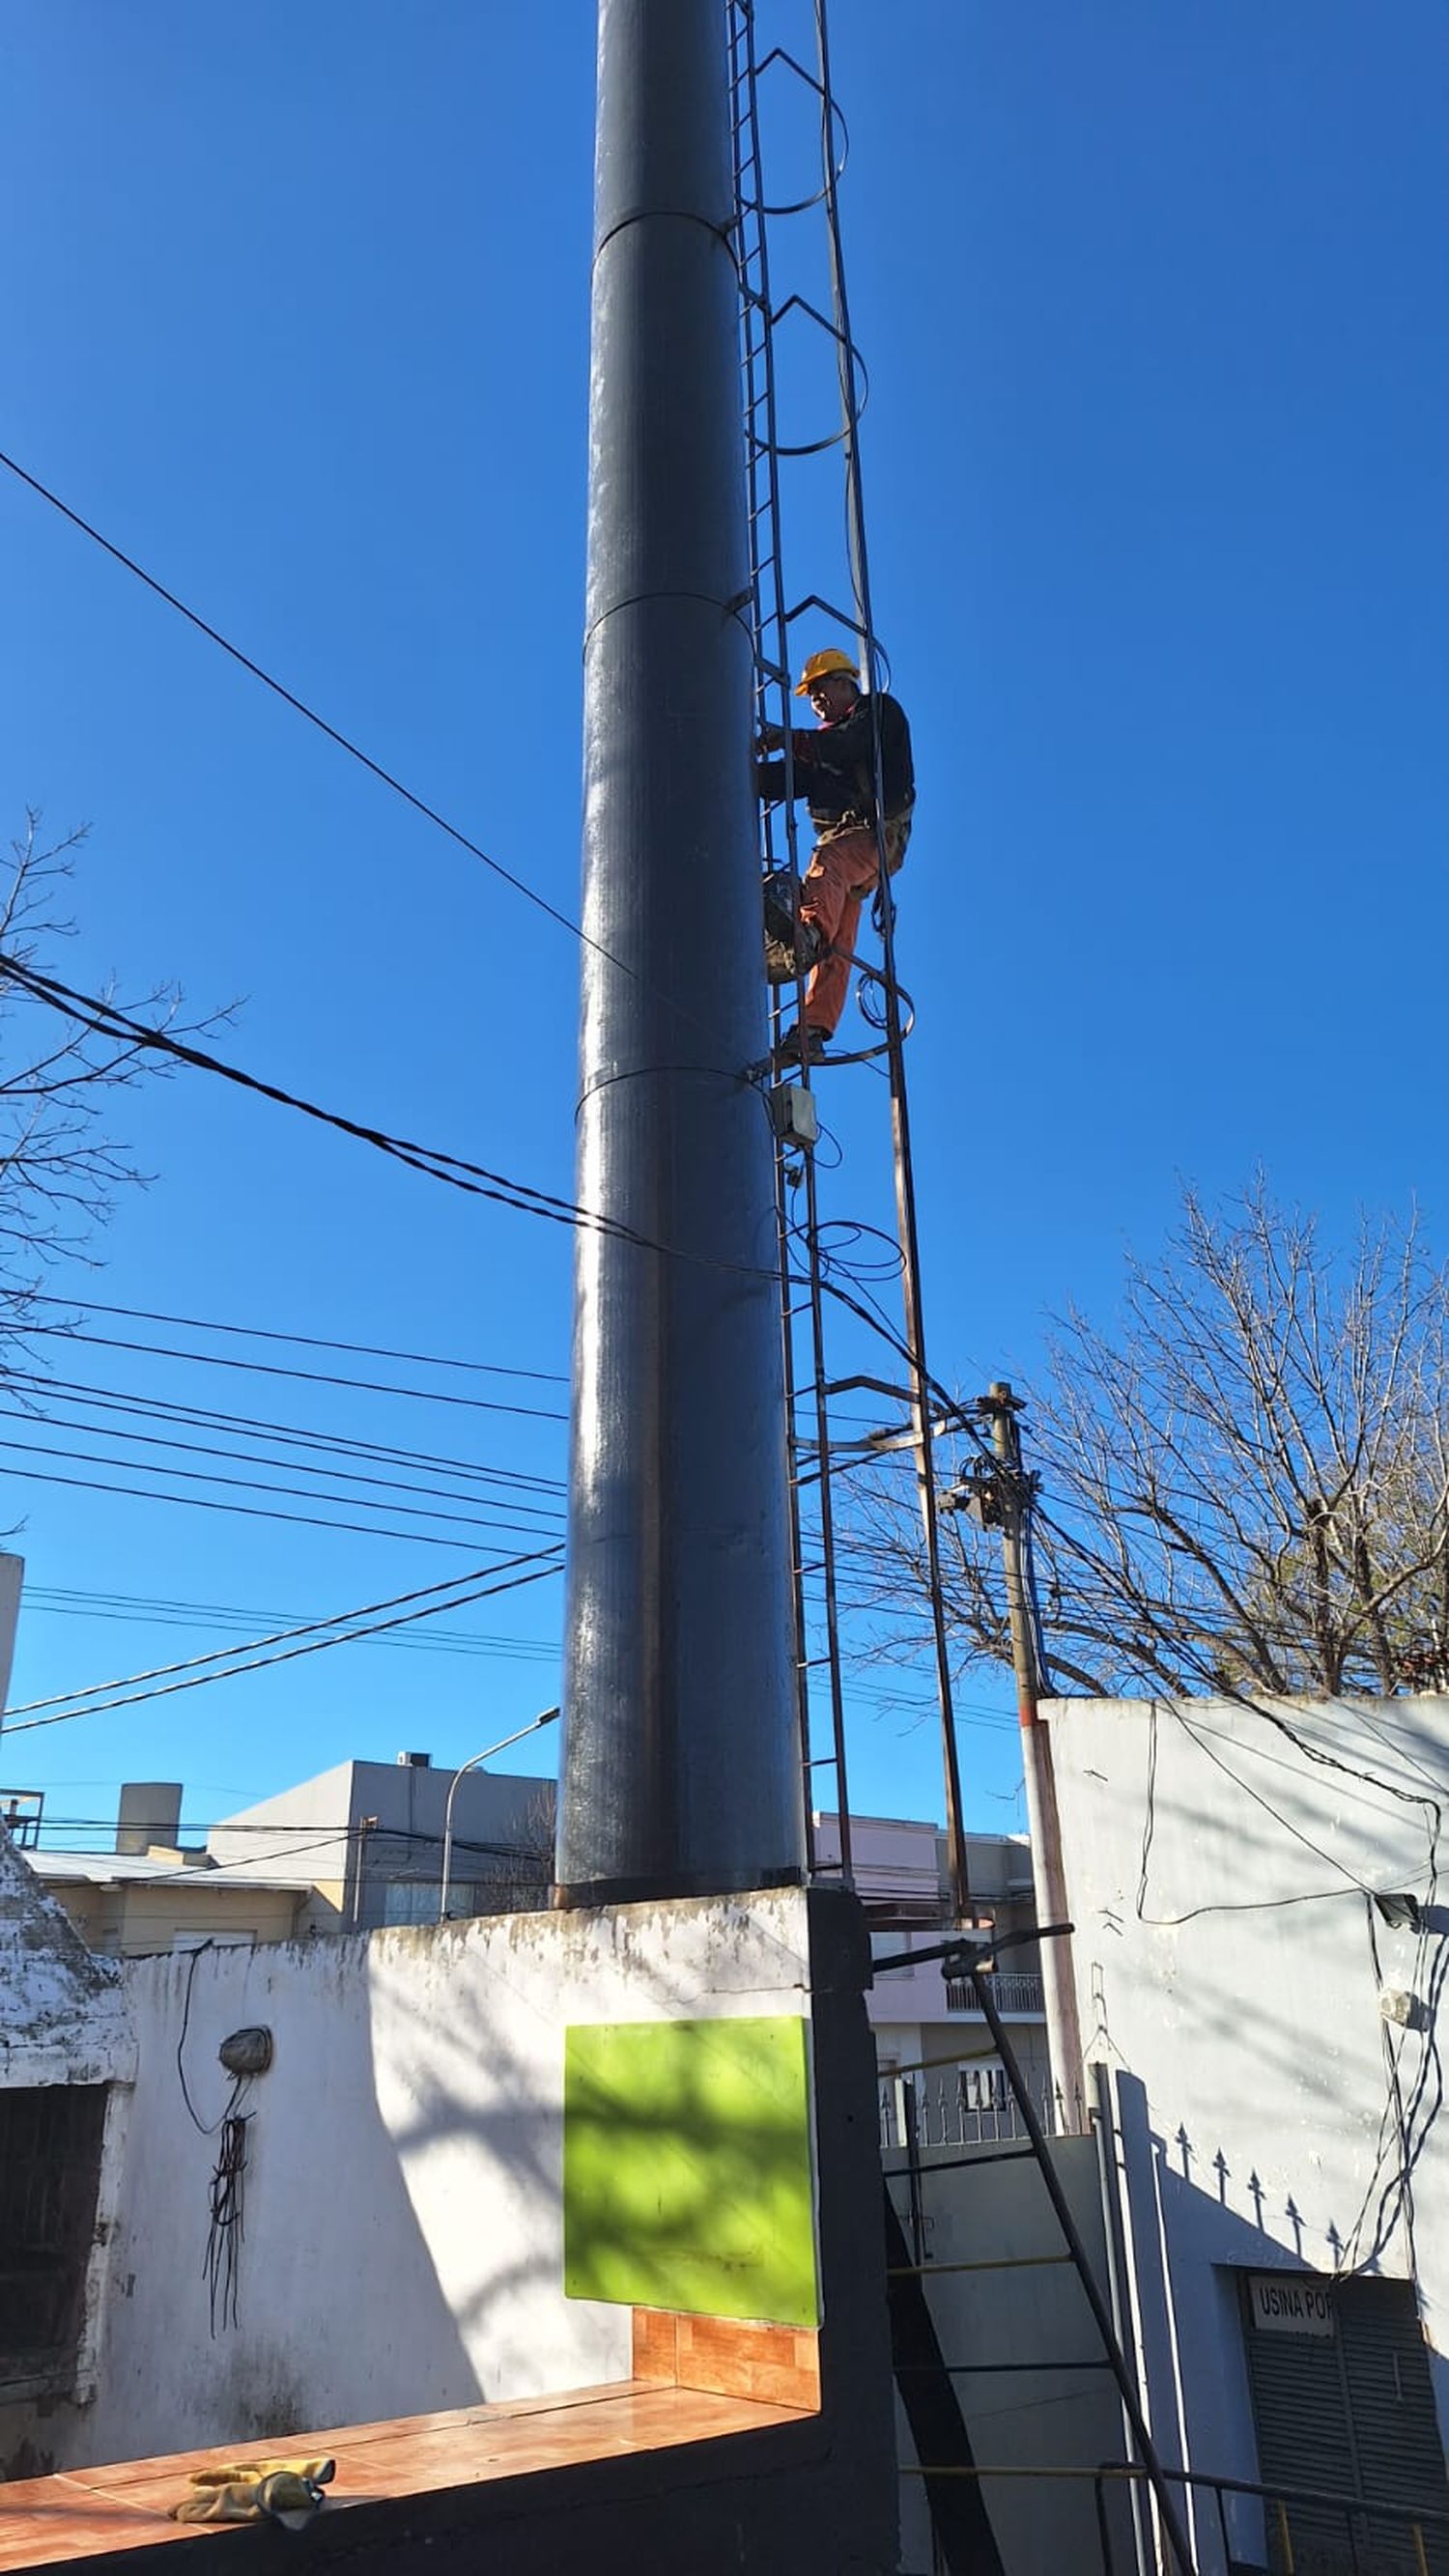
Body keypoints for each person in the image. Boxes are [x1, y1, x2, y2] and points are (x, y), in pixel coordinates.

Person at [756, 645, 914, 1062]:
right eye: (810, 696)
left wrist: (790, 739)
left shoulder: (876, 713)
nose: (816, 700)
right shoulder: (823, 747)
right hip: (857, 846)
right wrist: (742, 769)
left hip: (875, 836)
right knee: (839, 937)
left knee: (830, 865)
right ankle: (813, 1030)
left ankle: (805, 937)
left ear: (846, 682)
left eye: (820, 689)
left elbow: (846, 746)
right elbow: (791, 778)